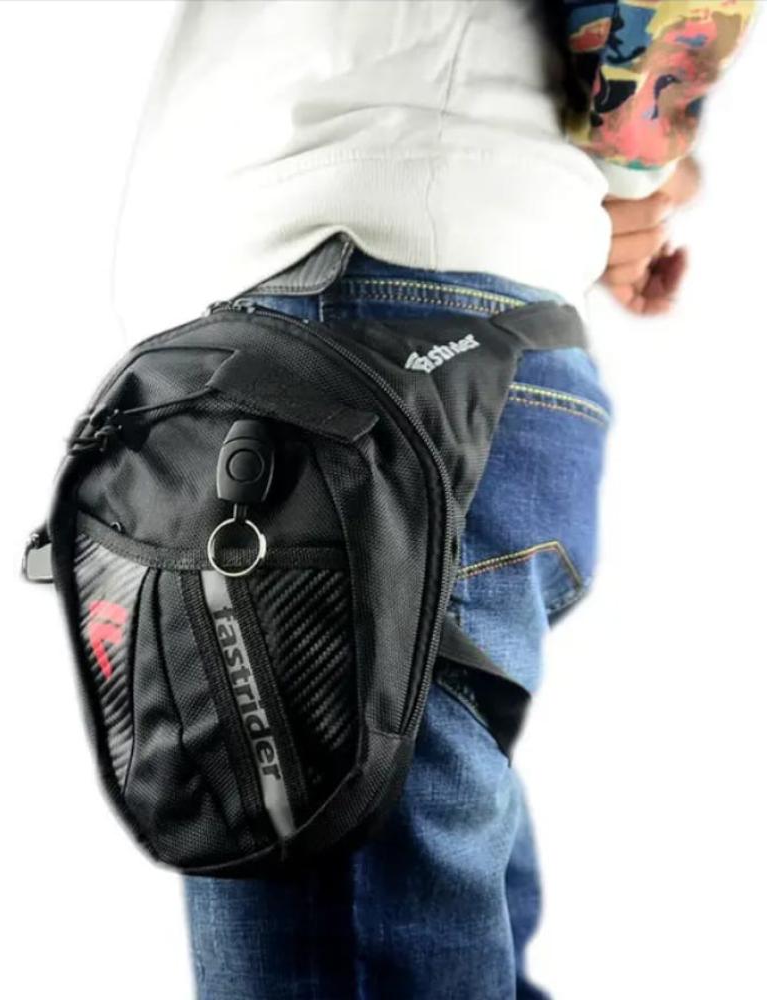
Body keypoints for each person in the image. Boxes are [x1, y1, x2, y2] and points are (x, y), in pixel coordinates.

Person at [110, 2, 754, 997]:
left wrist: (634, 174)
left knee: (347, 936)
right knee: (410, 917)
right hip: (416, 333)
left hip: (353, 342)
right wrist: (634, 172)